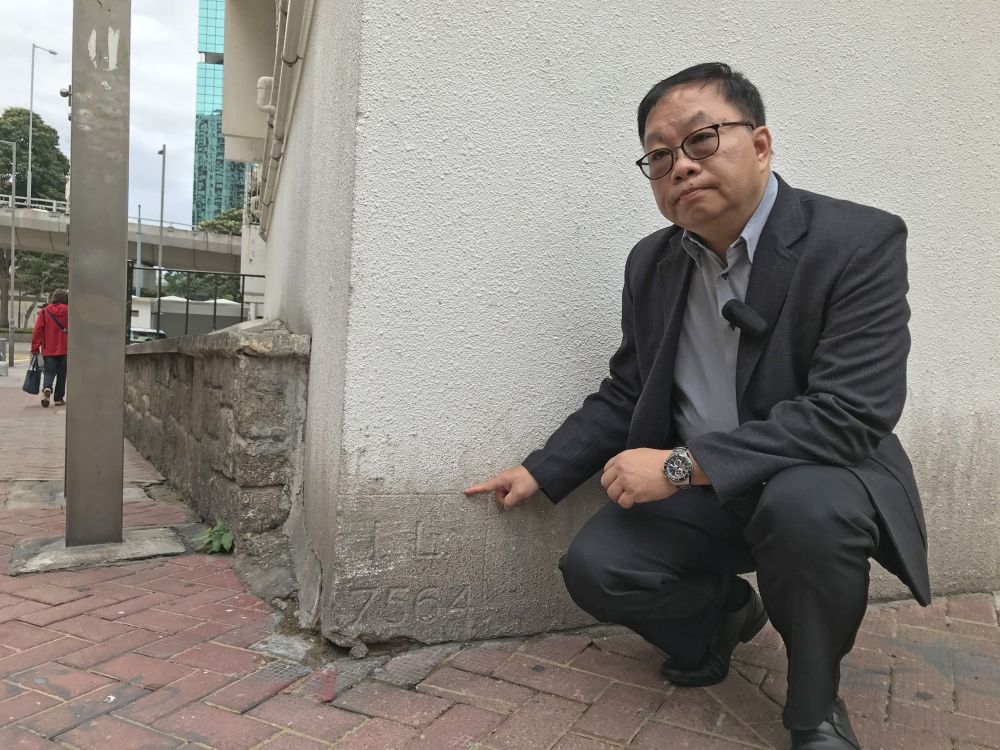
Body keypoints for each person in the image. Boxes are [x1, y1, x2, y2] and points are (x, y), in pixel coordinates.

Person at [465, 62, 928, 750]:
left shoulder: (856, 242)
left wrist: (682, 465)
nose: (680, 166)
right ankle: (721, 618)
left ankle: (815, 710)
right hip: (708, 493)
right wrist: (541, 469)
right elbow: (629, 387)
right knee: (596, 566)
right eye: (659, 155)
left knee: (809, 510)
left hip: (811, 480)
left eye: (701, 140)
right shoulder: (652, 264)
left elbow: (851, 412)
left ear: (761, 144)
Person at [30, 288, 69, 408]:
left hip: (49, 350)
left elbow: (38, 331)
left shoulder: (45, 312)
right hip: (65, 349)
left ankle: (47, 389)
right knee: (62, 373)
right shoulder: (70, 311)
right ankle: (58, 398)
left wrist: (34, 347)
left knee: (49, 371)